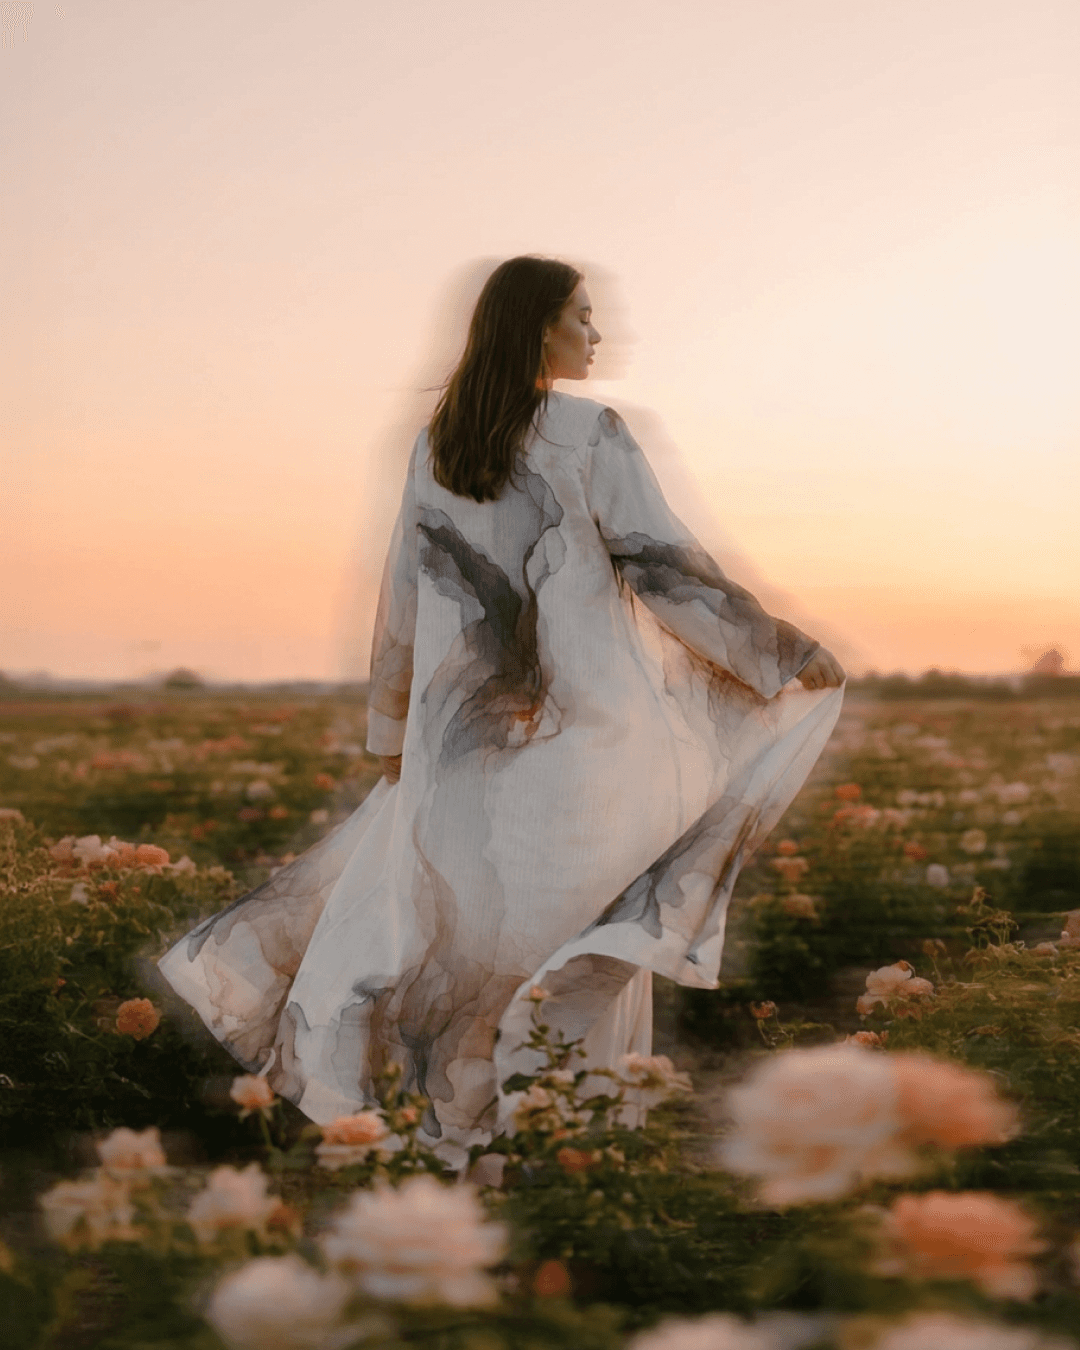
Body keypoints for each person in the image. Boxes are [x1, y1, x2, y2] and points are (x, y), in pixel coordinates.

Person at [158, 255, 845, 1170]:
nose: (598, 336)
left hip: (462, 753)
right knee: (578, 947)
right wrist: (782, 654)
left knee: (473, 947)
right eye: (584, 317)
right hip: (579, 746)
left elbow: (401, 599)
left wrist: (394, 736)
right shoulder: (587, 431)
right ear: (537, 329)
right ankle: (574, 1151)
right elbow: (662, 569)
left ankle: (465, 1148)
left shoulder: (437, 444)